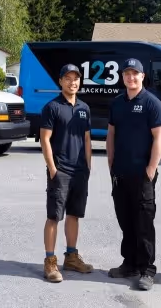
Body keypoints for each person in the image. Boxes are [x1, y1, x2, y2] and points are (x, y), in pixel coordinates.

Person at [106, 58, 161, 291]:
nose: (131, 78)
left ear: (143, 76)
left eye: (135, 74)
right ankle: (129, 263)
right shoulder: (118, 103)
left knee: (143, 223)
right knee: (126, 221)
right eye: (127, 74)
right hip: (120, 173)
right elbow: (111, 133)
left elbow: (159, 137)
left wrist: (151, 169)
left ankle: (147, 269)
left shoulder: (152, 104)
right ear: (123, 77)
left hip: (142, 175)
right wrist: (111, 162)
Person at [40, 63, 94, 283]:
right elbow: (44, 139)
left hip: (80, 170)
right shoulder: (52, 107)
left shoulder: (84, 108)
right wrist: (53, 168)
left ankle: (71, 256)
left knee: (74, 214)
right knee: (54, 216)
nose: (73, 82)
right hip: (60, 170)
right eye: (68, 78)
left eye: (76, 79)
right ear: (60, 81)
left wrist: (88, 166)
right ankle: (50, 262)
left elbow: (87, 139)